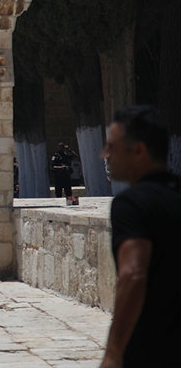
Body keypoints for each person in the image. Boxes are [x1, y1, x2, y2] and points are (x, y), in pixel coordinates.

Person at [99, 105, 180, 368]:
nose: (104, 155)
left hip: (153, 351)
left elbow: (133, 274)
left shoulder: (131, 205)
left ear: (138, 150)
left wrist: (113, 353)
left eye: (112, 146)